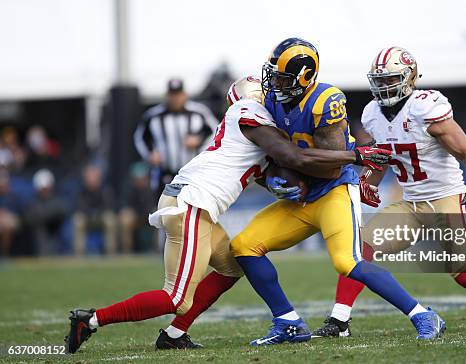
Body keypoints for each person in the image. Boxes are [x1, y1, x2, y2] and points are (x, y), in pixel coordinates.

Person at [64, 76, 390, 353]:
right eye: (264, 92)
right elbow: (292, 156)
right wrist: (355, 156)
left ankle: (175, 335)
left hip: (194, 202)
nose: (272, 97)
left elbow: (273, 171)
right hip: (191, 203)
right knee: (176, 296)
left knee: (232, 266)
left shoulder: (255, 134)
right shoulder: (248, 113)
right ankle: (91, 320)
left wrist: (289, 185)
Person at [311, 47, 466, 339]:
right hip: (411, 203)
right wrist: (367, 182)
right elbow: (382, 159)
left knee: (465, 275)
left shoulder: (426, 108)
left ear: (408, 78)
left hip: (446, 199)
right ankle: (340, 322)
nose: (384, 86)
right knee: (360, 250)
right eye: (380, 80)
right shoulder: (373, 115)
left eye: (390, 79)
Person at [230, 38, 445, 347]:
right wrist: (277, 179)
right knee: (244, 245)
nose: (275, 84)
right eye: (274, 76)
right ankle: (288, 322)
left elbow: (329, 168)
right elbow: (270, 159)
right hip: (302, 198)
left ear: (305, 78)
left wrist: (295, 166)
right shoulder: (273, 102)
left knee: (348, 261)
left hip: (333, 191)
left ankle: (423, 315)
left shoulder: (325, 101)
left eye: (283, 78)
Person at [134, 78, 220, 195]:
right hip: (164, 172)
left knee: (193, 206)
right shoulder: (153, 116)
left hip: (194, 172)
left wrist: (199, 141)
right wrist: (150, 154)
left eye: (178, 95)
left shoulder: (199, 112)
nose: (175, 99)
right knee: (165, 207)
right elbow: (140, 138)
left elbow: (216, 132)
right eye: (172, 95)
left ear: (184, 95)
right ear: (166, 96)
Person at [72, 164, 117, 255]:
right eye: (89, 177)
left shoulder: (105, 190)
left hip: (101, 217)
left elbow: (109, 206)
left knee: (110, 219)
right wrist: (90, 214)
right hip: (87, 217)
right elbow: (79, 207)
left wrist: (98, 213)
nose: (92, 179)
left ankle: (111, 252)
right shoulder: (81, 191)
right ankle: (79, 253)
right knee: (78, 220)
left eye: (94, 176)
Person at [25, 169, 68, 255]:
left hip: (56, 235)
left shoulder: (58, 201)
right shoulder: (33, 203)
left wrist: (43, 216)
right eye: (42, 189)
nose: (45, 191)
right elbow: (29, 219)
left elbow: (62, 212)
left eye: (47, 188)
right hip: (38, 239)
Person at [118, 162, 158, 253]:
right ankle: (126, 251)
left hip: (147, 214)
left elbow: (153, 204)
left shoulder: (151, 187)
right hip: (134, 215)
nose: (140, 181)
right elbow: (125, 205)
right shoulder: (128, 188)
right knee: (125, 218)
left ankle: (157, 249)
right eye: (138, 179)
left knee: (159, 215)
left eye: (143, 178)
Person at [0, 170, 21, 256]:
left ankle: (5, 253)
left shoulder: (13, 196)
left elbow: (17, 213)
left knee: (7, 226)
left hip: (11, 220)